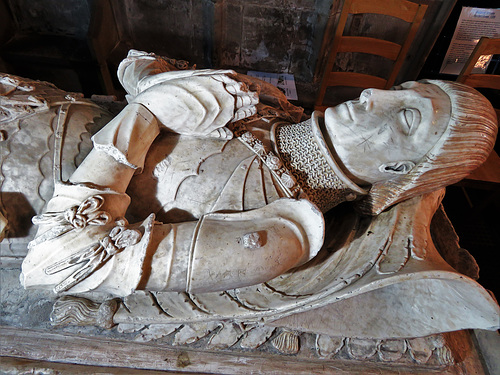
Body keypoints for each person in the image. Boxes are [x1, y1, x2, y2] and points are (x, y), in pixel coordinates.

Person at [20, 50, 498, 297]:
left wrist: (146, 114)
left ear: (398, 169)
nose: (375, 94)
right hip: (27, 105)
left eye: (406, 117)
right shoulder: (270, 104)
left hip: (17, 194)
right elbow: (137, 62)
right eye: (402, 88)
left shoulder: (280, 235)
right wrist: (154, 81)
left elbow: (59, 264)